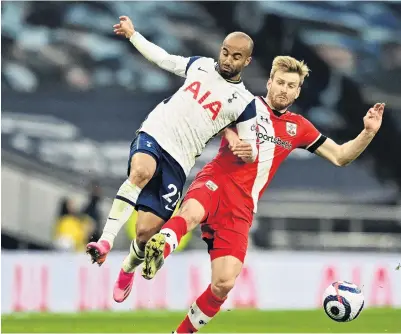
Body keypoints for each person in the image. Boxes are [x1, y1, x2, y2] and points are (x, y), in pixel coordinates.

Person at [140, 56, 385, 333]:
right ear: (269, 82)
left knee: (224, 284)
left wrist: (367, 132)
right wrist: (232, 138)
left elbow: (340, 156)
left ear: (297, 91)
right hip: (216, 181)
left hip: (242, 206)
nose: (284, 89)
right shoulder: (243, 103)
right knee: (192, 212)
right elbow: (215, 118)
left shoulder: (299, 127)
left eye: (291, 85)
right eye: (280, 82)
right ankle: (163, 244)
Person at [86, 15, 259, 298]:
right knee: (140, 172)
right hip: (156, 132)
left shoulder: (245, 103)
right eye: (225, 52)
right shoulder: (200, 65)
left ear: (247, 61)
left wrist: (247, 150)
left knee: (144, 234)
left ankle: (128, 267)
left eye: (236, 56)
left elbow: (250, 148)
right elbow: (164, 59)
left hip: (179, 160)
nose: (227, 60)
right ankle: (104, 242)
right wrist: (133, 35)